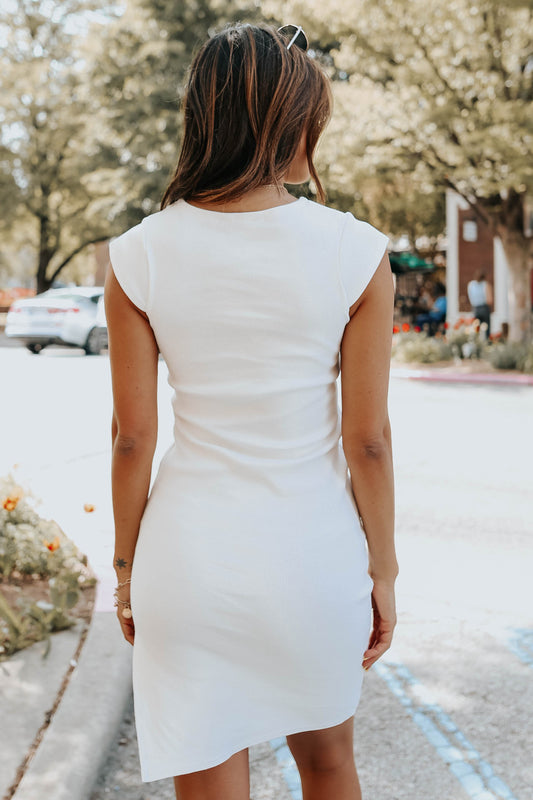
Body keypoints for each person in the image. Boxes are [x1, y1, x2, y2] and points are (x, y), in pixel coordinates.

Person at [105, 22, 397, 800]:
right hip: (313, 557)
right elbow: (366, 441)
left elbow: (133, 438)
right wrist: (384, 572)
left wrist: (128, 572)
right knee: (330, 764)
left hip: (188, 563)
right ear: (285, 121)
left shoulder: (139, 253)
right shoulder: (356, 251)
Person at [467, 269, 493, 337]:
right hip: (484, 308)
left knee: (475, 329)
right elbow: (489, 300)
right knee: (487, 329)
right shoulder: (486, 285)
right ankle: (487, 344)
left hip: (475, 309)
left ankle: (476, 344)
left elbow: (470, 298)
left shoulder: (471, 285)